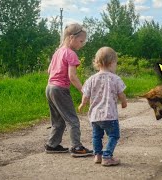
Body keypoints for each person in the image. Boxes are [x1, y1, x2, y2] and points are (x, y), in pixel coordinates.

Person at [45, 23, 93, 157]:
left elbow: (49, 70)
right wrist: (84, 91)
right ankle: (76, 147)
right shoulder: (71, 54)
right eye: (81, 41)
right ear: (71, 37)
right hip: (60, 89)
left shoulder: (58, 52)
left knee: (58, 120)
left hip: (50, 88)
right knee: (72, 120)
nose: (82, 44)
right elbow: (72, 76)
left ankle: (52, 145)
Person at [78, 47, 127, 166]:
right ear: (111, 63)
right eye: (116, 63)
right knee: (114, 135)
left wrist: (82, 104)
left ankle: (97, 155)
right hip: (109, 115)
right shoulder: (115, 78)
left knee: (96, 136)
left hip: (95, 116)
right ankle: (107, 156)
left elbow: (85, 95)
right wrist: (124, 102)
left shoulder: (91, 79)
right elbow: (121, 94)